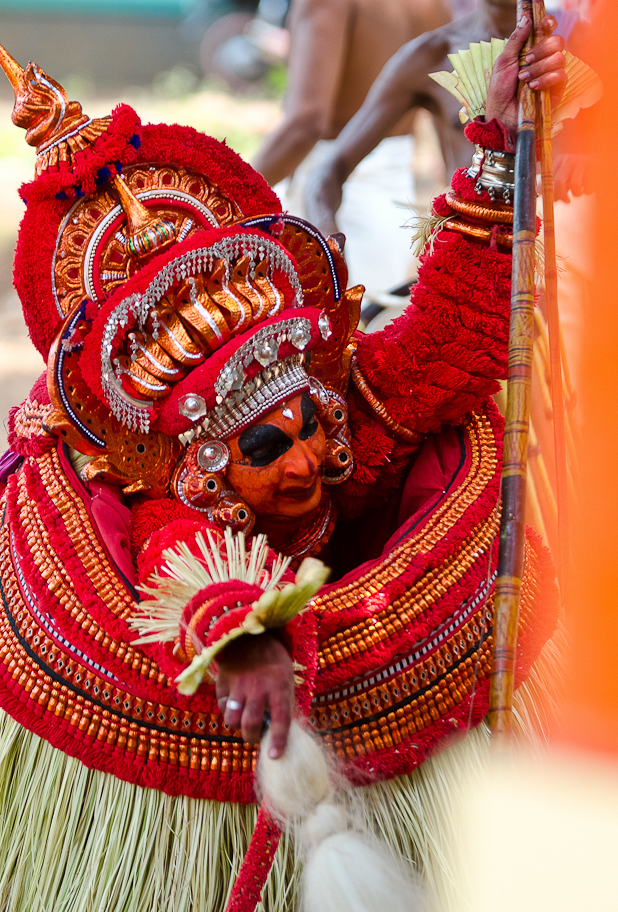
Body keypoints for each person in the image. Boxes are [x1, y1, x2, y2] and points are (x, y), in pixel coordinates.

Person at [0, 22, 565, 912]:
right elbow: (172, 556)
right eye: (264, 450)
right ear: (202, 466)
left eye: (310, 422)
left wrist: (495, 141)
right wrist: (245, 638)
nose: (310, 458)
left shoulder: (351, 408)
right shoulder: (174, 500)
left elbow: (450, 328)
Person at [252, 0, 452, 294]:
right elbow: (448, 114)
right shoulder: (433, 5)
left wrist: (232, 196)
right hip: (398, 205)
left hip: (328, 207)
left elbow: (306, 123)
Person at [304, 0, 522, 239]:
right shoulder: (434, 54)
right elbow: (329, 169)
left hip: (563, 258)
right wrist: (326, 237)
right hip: (472, 253)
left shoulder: (564, 50)